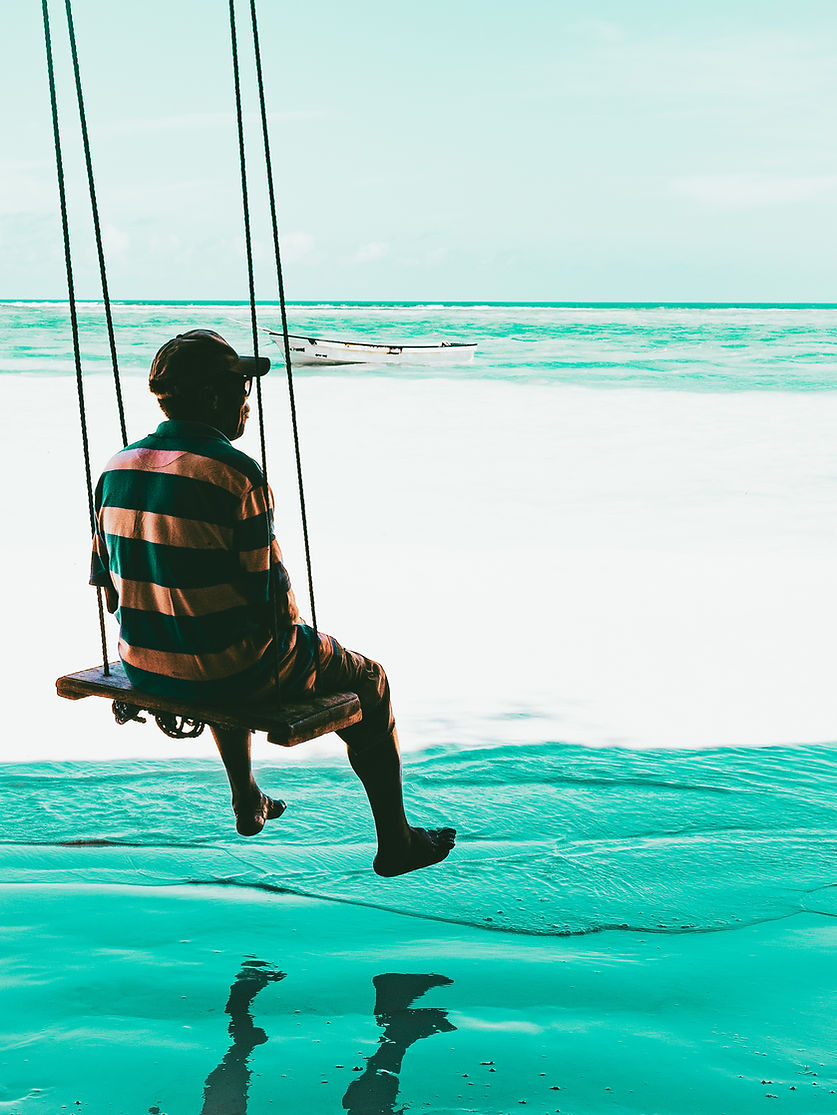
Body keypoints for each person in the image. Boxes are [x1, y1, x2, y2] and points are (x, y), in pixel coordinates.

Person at [90, 329, 455, 876]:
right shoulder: (234, 473)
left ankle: (247, 798)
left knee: (217, 638)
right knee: (371, 681)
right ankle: (397, 842)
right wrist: (308, 656)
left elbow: (108, 585)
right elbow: (266, 599)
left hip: (143, 660)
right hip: (231, 666)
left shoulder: (117, 466)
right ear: (213, 397)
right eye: (240, 387)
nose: (246, 400)